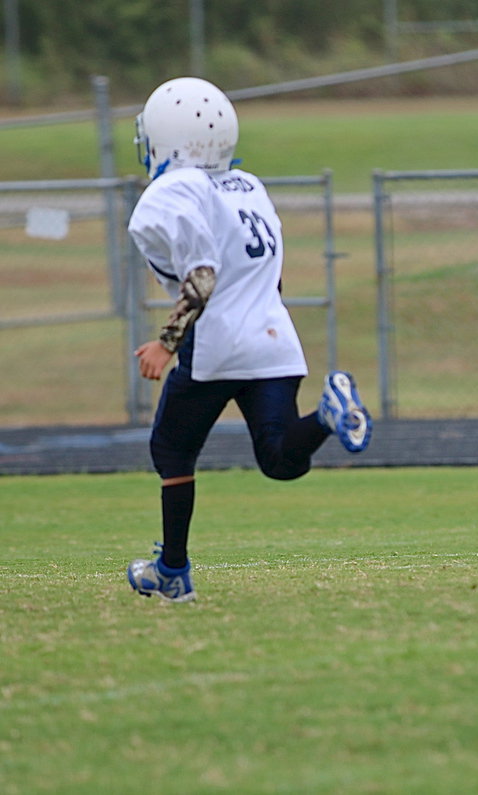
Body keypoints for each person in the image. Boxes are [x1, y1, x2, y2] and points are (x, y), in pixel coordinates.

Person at [125, 77, 372, 602]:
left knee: (170, 449)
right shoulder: (248, 185)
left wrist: (167, 343)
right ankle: (329, 415)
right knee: (280, 458)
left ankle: (171, 572)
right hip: (274, 337)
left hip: (216, 343)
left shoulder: (170, 191)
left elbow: (203, 276)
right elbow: (273, 274)